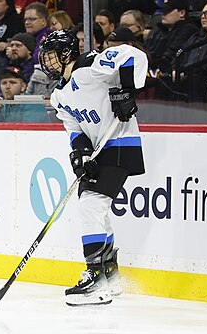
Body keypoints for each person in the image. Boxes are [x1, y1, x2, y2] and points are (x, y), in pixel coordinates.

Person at [39, 29, 147, 306]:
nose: (46, 62)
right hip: (100, 150)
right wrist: (81, 153)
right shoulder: (59, 96)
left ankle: (96, 279)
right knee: (94, 208)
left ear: (66, 54)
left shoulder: (90, 67)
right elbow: (75, 128)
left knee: (90, 205)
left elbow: (132, 55)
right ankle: (110, 277)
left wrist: (125, 91)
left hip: (121, 143)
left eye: (51, 56)